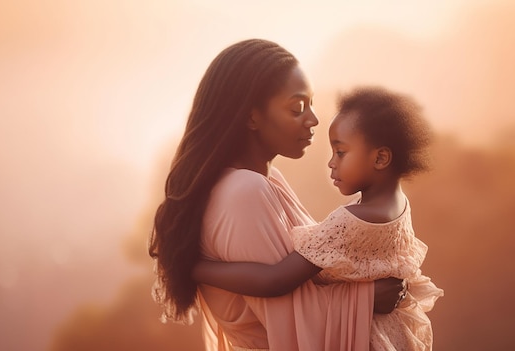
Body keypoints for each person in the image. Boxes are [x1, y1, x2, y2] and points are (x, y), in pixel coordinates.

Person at [149, 39, 406, 351]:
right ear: (251, 116)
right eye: (297, 108)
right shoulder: (244, 191)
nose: (313, 119)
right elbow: (287, 317)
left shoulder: (268, 179)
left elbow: (308, 279)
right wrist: (366, 299)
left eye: (311, 104)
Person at [193, 86, 444, 350]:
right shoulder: (399, 205)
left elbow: (275, 280)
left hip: (369, 339)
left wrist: (194, 268)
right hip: (398, 336)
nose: (331, 163)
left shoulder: (350, 221)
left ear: (381, 158)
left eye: (341, 152)